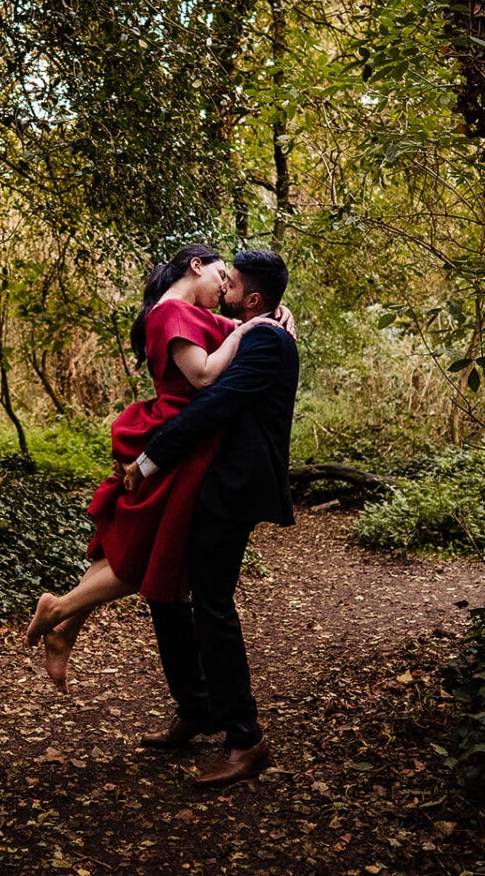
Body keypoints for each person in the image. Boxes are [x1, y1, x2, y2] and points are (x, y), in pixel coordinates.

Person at [25, 244, 285, 692]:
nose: (225, 287)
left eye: (233, 283)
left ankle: (65, 628)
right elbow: (204, 376)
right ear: (196, 265)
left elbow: (249, 317)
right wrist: (247, 333)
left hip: (184, 436)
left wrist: (277, 315)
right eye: (222, 275)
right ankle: (59, 609)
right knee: (145, 551)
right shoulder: (169, 314)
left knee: (123, 540)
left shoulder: (191, 313)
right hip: (175, 435)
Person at [126, 248, 298, 786]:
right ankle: (196, 707)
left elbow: (213, 403)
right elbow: (216, 330)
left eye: (232, 284)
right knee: (168, 591)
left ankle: (245, 738)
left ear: (251, 298)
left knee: (212, 604)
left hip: (232, 486)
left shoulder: (267, 339)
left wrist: (150, 458)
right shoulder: (257, 328)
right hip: (207, 480)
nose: (222, 290)